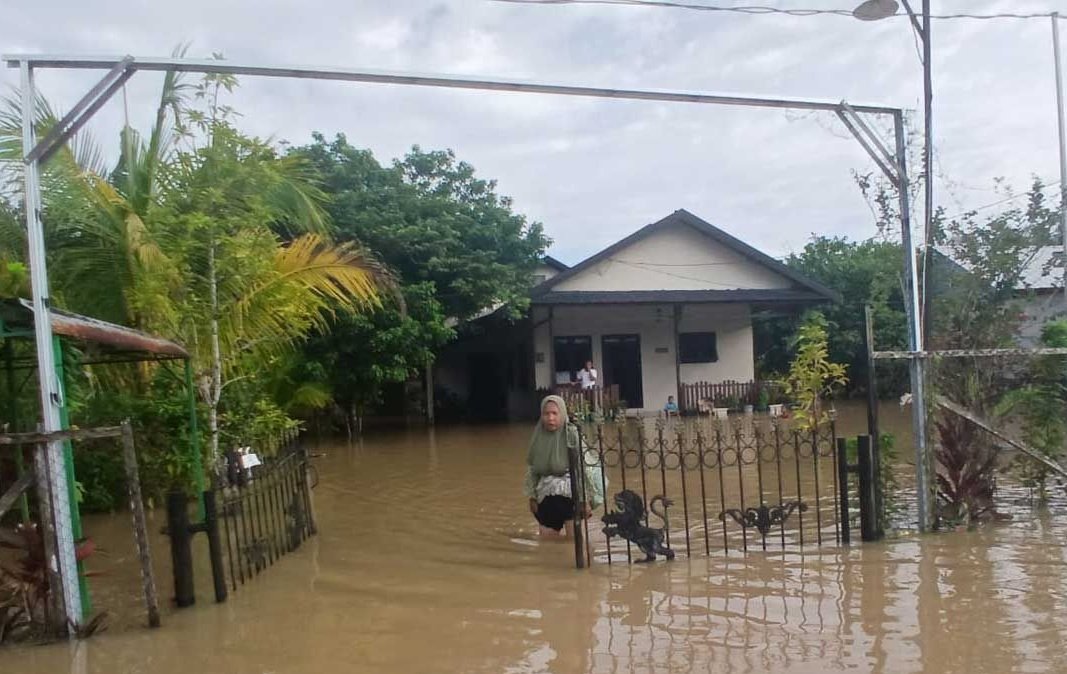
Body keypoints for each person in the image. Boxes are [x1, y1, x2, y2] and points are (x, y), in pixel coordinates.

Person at [523, 395, 605, 536]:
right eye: (546, 414)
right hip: (546, 496)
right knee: (547, 545)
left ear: (562, 414)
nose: (550, 418)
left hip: (570, 495)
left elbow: (583, 468)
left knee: (574, 543)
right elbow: (532, 469)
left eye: (555, 413)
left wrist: (585, 500)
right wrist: (532, 497)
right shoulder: (538, 437)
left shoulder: (571, 434)